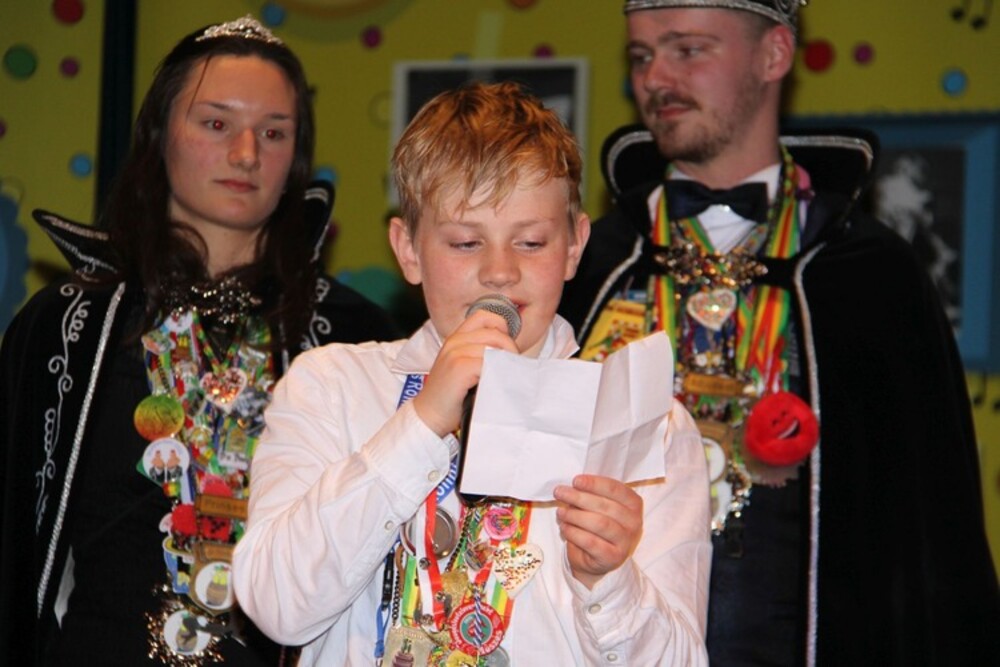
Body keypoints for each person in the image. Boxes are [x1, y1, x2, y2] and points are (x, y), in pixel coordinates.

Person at [559, 1, 1000, 665]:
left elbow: (932, 541)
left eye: (688, 49)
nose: (655, 78)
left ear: (774, 55)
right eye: (642, 56)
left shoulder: (871, 275)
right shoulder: (585, 263)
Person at [232, 81, 711, 666]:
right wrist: (422, 423)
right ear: (408, 249)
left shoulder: (645, 423)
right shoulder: (331, 385)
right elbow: (277, 606)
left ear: (574, 246)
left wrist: (610, 580)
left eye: (530, 241)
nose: (499, 271)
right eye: (465, 242)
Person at [0, 15, 397, 666]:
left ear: (296, 160)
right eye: (216, 123)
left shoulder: (350, 336)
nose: (246, 154)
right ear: (159, 136)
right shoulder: (68, 327)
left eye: (274, 132)